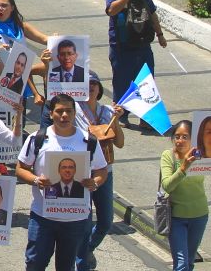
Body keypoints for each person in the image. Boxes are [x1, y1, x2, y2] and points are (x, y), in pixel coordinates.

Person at [16, 93, 108, 271]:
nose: (64, 115)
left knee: (66, 267)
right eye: (59, 111)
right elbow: (21, 168)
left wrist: (95, 182)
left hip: (75, 219)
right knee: (34, 264)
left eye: (68, 111)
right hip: (43, 217)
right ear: (51, 114)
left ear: (74, 113)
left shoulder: (88, 141)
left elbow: (102, 170)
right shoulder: (37, 138)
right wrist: (36, 180)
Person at [105, 0, 165, 126]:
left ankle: (146, 118)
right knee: (122, 82)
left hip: (143, 46)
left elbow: (152, 15)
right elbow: (111, 10)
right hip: (122, 48)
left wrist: (160, 35)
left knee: (146, 81)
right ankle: (121, 116)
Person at [79, 71, 124, 271]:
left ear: (99, 89)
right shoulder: (74, 110)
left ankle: (86, 249)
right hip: (82, 172)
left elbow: (120, 143)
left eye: (94, 84)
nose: (90, 87)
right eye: (86, 84)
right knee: (85, 222)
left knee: (106, 221)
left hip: (106, 170)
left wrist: (116, 121)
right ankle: (82, 263)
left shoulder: (107, 111)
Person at [161, 120, 209, 271]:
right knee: (181, 263)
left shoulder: (202, 154)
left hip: (199, 215)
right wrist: (183, 167)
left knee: (189, 261)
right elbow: (167, 185)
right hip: (177, 217)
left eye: (185, 137)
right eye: (177, 136)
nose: (180, 141)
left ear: (193, 138)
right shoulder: (168, 156)